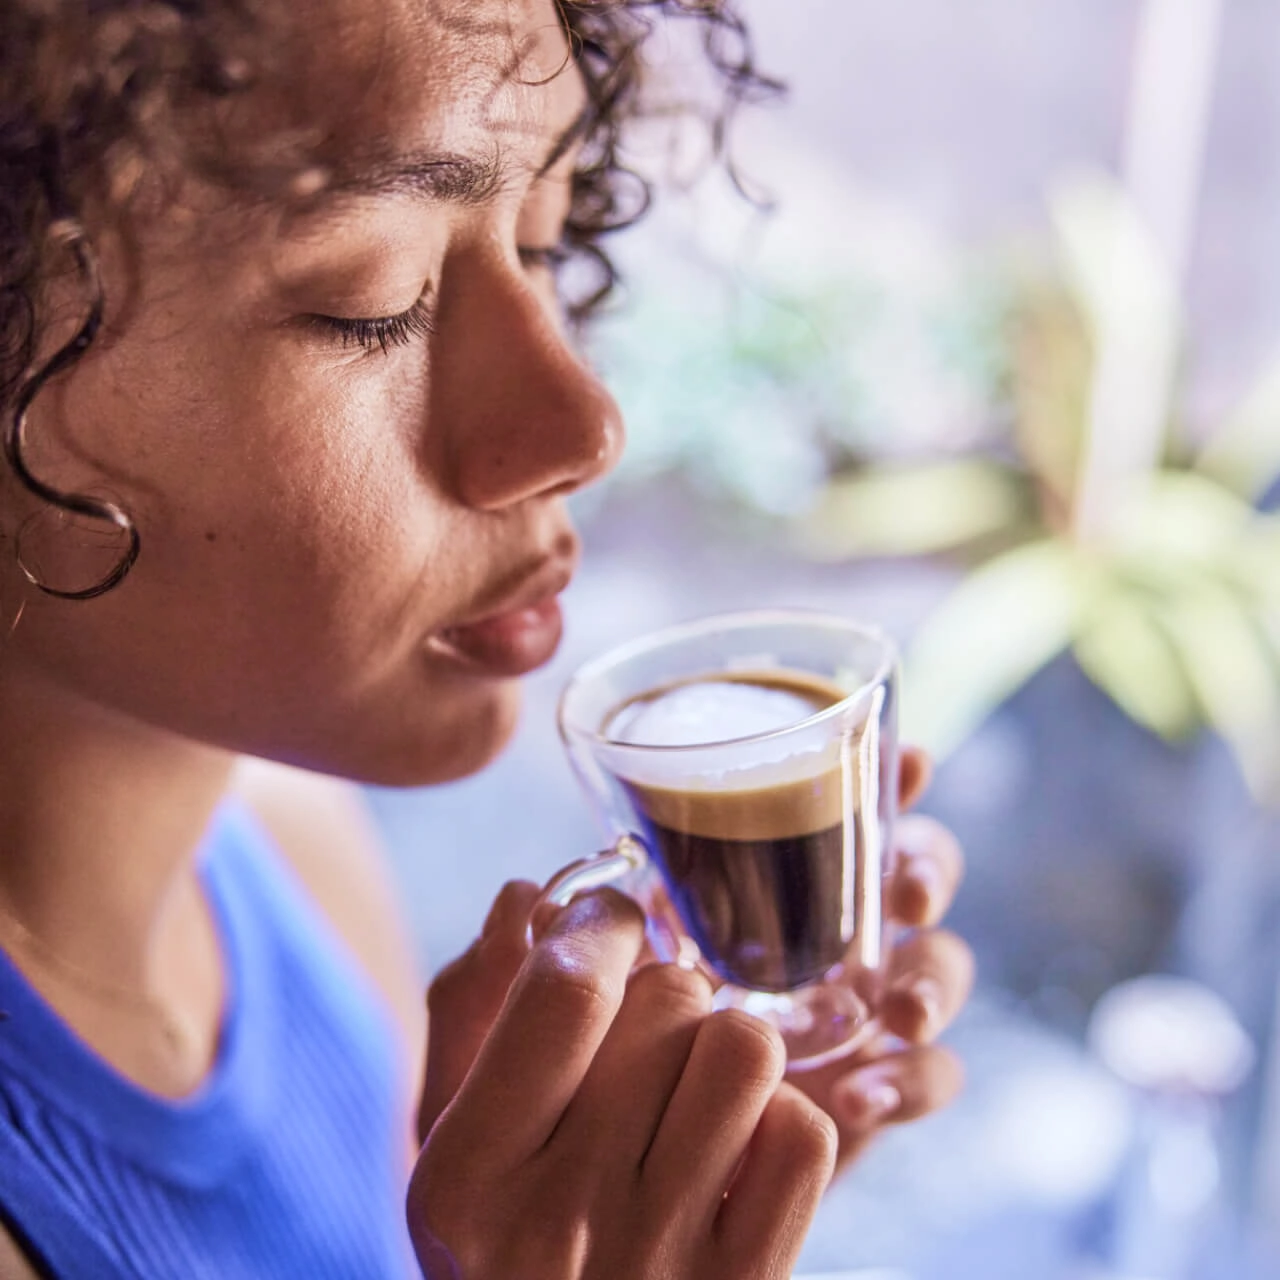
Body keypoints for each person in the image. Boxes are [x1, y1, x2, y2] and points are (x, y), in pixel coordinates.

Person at [0, 1, 975, 1276]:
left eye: (542, 241)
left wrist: (668, 1193)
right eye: (374, 302)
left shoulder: (297, 861)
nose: (583, 426)